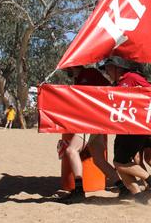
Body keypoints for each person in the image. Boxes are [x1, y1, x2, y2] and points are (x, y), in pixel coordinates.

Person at [59, 65, 129, 204]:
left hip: (92, 119)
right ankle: (123, 189)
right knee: (99, 160)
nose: (68, 69)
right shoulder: (78, 77)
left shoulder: (90, 73)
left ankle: (78, 190)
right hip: (94, 121)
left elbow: (108, 89)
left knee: (71, 150)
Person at [102, 58, 151, 204]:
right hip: (123, 128)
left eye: (108, 68)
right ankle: (138, 195)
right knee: (121, 162)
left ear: (117, 68)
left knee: (119, 163)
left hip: (136, 127)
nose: (106, 71)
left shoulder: (132, 77)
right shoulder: (116, 83)